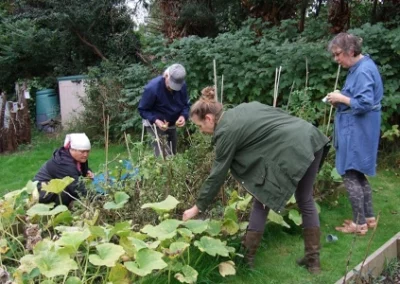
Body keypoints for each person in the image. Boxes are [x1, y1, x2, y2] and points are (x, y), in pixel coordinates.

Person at [182, 87, 329, 273]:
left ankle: (247, 260)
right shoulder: (244, 108)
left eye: (199, 125)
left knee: (261, 202)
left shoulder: (226, 132)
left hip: (293, 148)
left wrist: (197, 208)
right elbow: (275, 120)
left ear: (209, 119)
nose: (201, 130)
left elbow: (217, 174)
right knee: (305, 199)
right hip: (310, 137)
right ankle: (313, 262)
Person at [325, 33, 383, 235]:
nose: (336, 59)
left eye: (338, 54)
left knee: (349, 172)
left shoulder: (363, 71)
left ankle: (359, 225)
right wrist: (342, 96)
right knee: (357, 172)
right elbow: (358, 95)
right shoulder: (360, 67)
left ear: (351, 51)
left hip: (358, 129)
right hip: (360, 127)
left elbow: (365, 103)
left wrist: (341, 98)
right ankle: (369, 218)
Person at [138, 63, 191, 157]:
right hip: (154, 124)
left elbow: (186, 105)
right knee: (162, 157)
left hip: (172, 124)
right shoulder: (152, 88)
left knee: (173, 154)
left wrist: (183, 116)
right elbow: (143, 110)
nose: (172, 88)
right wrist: (156, 120)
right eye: (170, 85)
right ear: (166, 76)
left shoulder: (182, 86)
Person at [34, 133, 94, 206]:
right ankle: (56, 212)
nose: (85, 155)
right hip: (42, 191)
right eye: (82, 152)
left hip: (54, 186)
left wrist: (88, 171)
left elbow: (81, 169)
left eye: (87, 151)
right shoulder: (64, 163)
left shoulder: (78, 158)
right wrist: (97, 199)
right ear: (72, 149)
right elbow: (77, 188)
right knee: (67, 192)